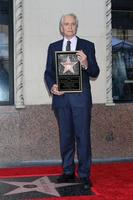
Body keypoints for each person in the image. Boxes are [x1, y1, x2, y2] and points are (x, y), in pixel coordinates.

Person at [44, 13, 100, 190]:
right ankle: (68, 171)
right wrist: (52, 86)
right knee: (65, 137)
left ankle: (84, 175)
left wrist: (86, 62)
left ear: (76, 26)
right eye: (66, 24)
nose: (69, 27)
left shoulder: (87, 46)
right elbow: (48, 72)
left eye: (73, 24)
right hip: (61, 100)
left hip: (81, 101)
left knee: (82, 137)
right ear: (61, 27)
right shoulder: (53, 47)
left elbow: (95, 72)